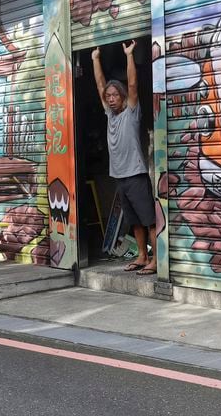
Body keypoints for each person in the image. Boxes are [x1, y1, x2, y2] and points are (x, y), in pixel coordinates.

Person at [92, 40, 157, 275]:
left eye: (114, 95)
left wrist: (130, 55)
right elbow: (100, 84)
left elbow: (132, 84)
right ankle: (142, 256)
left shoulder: (132, 112)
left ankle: (156, 260)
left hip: (136, 174)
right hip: (120, 176)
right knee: (134, 221)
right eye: (108, 96)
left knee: (148, 219)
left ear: (122, 96)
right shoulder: (110, 115)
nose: (110, 98)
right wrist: (95, 59)